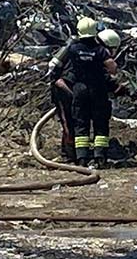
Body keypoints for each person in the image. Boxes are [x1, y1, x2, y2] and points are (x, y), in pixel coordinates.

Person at [48, 17, 120, 167]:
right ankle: (100, 157)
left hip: (79, 90)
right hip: (97, 90)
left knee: (81, 124)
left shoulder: (73, 48)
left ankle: (82, 158)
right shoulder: (99, 50)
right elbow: (112, 67)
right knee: (100, 124)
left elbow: (58, 66)